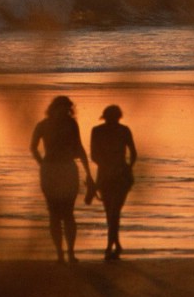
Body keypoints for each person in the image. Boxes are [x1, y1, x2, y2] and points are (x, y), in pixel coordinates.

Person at [29, 95, 94, 263]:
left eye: (67, 109)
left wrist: (88, 172)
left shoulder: (71, 124)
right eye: (62, 109)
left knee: (68, 213)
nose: (64, 112)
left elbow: (79, 147)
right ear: (54, 108)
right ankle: (59, 252)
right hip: (50, 170)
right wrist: (42, 163)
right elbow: (33, 147)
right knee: (54, 213)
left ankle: (70, 252)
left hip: (67, 169)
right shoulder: (43, 125)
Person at [89, 104, 137, 261]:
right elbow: (94, 155)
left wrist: (124, 168)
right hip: (111, 175)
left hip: (115, 176)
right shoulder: (103, 131)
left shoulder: (118, 130)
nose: (112, 121)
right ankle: (115, 244)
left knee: (113, 211)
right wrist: (124, 167)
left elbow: (133, 153)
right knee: (111, 212)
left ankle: (110, 246)